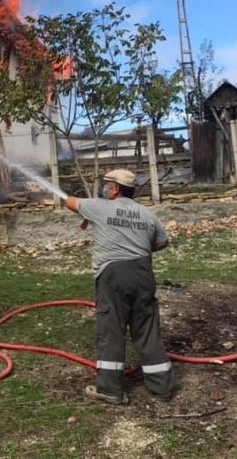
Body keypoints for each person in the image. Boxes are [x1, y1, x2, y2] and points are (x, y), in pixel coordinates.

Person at [63, 169, 175, 405]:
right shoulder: (147, 214)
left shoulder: (100, 207)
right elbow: (163, 241)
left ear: (114, 188)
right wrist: (138, 247)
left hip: (113, 274)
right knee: (147, 328)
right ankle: (163, 388)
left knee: (111, 329)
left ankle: (110, 389)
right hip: (143, 272)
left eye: (107, 185)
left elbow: (70, 202)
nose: (105, 188)